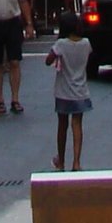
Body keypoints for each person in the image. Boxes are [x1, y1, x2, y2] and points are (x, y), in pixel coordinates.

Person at [45, 10, 92, 170]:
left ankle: (61, 160)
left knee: (62, 125)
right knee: (77, 125)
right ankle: (77, 162)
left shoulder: (61, 45)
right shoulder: (86, 43)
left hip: (63, 91)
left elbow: (48, 60)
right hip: (81, 91)